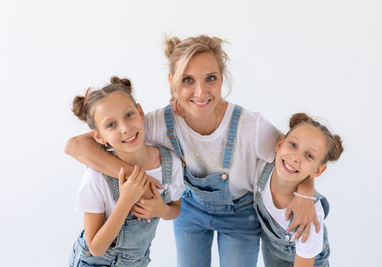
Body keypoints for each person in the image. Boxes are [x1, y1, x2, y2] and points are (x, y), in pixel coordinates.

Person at [65, 35, 320, 267]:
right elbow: (75, 145)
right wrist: (135, 176)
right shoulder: (157, 123)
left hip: (240, 215)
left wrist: (307, 192)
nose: (200, 92)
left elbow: (293, 157)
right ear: (173, 82)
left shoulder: (250, 126)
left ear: (222, 78)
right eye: (187, 80)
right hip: (190, 211)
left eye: (211, 78)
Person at [68, 77, 185, 267]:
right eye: (111, 125)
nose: (125, 128)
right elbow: (96, 248)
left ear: (140, 112)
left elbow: (175, 209)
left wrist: (161, 210)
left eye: (129, 115)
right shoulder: (96, 177)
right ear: (98, 136)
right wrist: (125, 201)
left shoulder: (170, 164)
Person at [254, 113, 343, 267]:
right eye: (293, 145)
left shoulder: (310, 219)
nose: (295, 157)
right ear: (279, 143)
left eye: (309, 155)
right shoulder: (262, 169)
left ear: (317, 171)